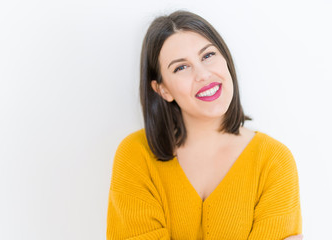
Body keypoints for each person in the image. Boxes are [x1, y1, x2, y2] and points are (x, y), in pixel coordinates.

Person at [107, 10, 303, 239]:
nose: (203, 74)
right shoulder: (136, 155)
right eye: (181, 67)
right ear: (163, 89)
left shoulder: (274, 161)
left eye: (208, 55)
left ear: (226, 60)